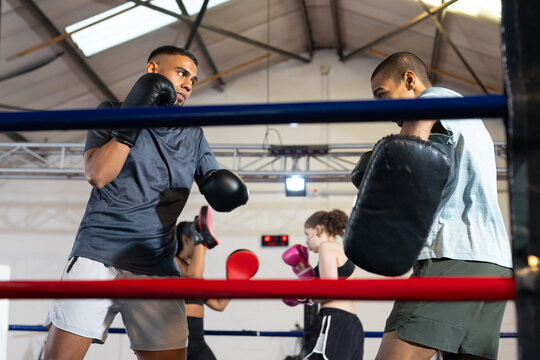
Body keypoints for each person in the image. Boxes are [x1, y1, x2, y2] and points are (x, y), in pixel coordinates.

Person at [43, 45, 248, 360]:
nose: (188, 84)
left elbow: (215, 184)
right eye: (181, 73)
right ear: (153, 70)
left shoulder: (192, 133)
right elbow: (97, 174)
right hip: (98, 256)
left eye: (193, 79)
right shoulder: (111, 111)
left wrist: (225, 190)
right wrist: (134, 118)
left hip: (156, 264)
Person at [369, 52, 513, 360]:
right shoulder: (471, 122)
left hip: (454, 256)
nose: (381, 106)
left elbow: (410, 149)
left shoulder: (435, 97)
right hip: (493, 264)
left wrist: (388, 171)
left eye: (383, 95)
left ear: (409, 80)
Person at [302, 209, 364, 360]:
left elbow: (329, 291)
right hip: (352, 324)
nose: (306, 242)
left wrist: (306, 298)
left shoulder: (326, 247)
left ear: (318, 230)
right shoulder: (343, 249)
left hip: (333, 320)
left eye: (307, 234)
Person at [175, 219, 231, 360]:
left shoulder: (196, 277)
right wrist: (200, 239)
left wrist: (234, 280)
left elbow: (219, 305)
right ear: (186, 240)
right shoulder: (172, 262)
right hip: (175, 342)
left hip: (198, 343)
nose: (204, 248)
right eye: (200, 243)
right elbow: (193, 274)